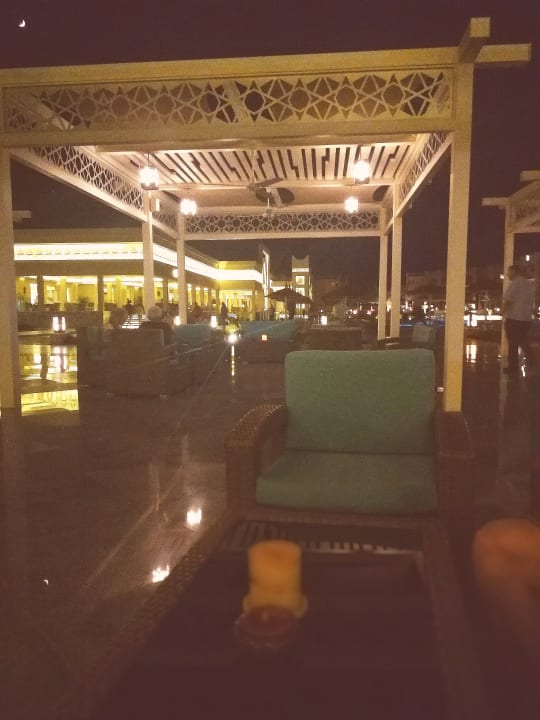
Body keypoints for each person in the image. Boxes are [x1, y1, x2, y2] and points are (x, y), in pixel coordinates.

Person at [502, 264, 535, 375]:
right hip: (526, 319)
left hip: (514, 318)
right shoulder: (528, 284)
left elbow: (508, 300)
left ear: (514, 272)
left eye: (509, 272)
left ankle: (512, 367)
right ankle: (533, 360)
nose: (507, 274)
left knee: (513, 343)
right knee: (522, 340)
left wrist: (502, 312)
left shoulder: (515, 283)